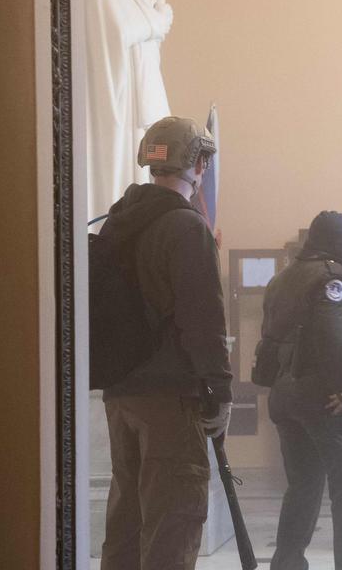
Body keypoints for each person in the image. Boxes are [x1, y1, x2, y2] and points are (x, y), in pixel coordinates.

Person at [99, 116, 231, 570]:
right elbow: (202, 320)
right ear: (198, 162)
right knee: (173, 520)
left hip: (121, 394)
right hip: (170, 398)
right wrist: (220, 390)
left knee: (127, 524)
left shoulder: (118, 222)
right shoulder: (184, 226)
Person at [263, 211, 342, 570]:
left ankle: (287, 561)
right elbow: (339, 341)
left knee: (303, 485)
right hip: (323, 397)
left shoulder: (283, 277)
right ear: (339, 240)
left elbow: (270, 340)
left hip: (284, 395)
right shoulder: (332, 278)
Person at [85, 0, 175, 219]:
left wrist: (147, 8)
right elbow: (117, 30)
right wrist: (158, 20)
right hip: (115, 102)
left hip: (129, 97)